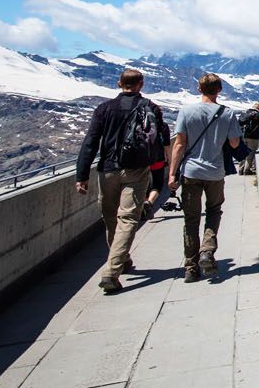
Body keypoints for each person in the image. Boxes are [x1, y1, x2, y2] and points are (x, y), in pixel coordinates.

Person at [75, 69, 167, 294]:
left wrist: (81, 175)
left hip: (107, 170)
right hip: (136, 170)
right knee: (127, 218)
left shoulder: (104, 109)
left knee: (110, 217)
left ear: (119, 83)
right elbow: (162, 135)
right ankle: (117, 265)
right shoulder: (149, 107)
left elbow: (91, 142)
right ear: (140, 84)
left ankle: (113, 269)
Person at [168, 73, 243, 283]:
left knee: (190, 219)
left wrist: (172, 173)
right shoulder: (227, 113)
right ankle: (207, 250)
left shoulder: (186, 111)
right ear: (219, 90)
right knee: (213, 211)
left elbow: (179, 144)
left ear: (199, 89)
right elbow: (235, 143)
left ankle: (191, 268)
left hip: (191, 171)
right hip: (215, 172)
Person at [236, 102, 259, 175]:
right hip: (253, 136)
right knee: (250, 154)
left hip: (242, 135)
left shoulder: (244, 113)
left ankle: (240, 169)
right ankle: (246, 170)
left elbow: (239, 122)